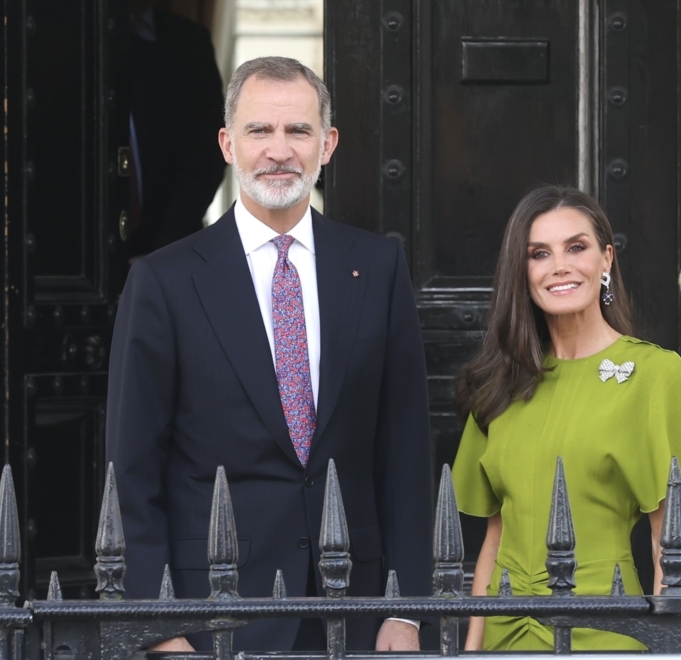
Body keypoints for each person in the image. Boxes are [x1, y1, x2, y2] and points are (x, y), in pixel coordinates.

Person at [106, 56, 433, 653]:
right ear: (228, 143)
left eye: (298, 131)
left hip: (355, 609)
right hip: (216, 613)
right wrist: (158, 622)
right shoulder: (165, 282)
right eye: (260, 130)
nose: (279, 150)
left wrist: (406, 610)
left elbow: (404, 449)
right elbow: (133, 467)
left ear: (327, 144)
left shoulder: (377, 269)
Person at [451, 185, 681, 652]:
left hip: (606, 626)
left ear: (606, 259)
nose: (560, 267)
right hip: (505, 631)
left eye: (577, 247)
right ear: (522, 270)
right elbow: (496, 535)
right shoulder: (501, 382)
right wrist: (472, 647)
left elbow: (667, 540)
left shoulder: (655, 374)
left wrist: (665, 645)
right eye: (539, 254)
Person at [126, 0, 228, 256]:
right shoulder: (66, 34)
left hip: (169, 250)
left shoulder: (188, 41)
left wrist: (161, 255)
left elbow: (206, 156)